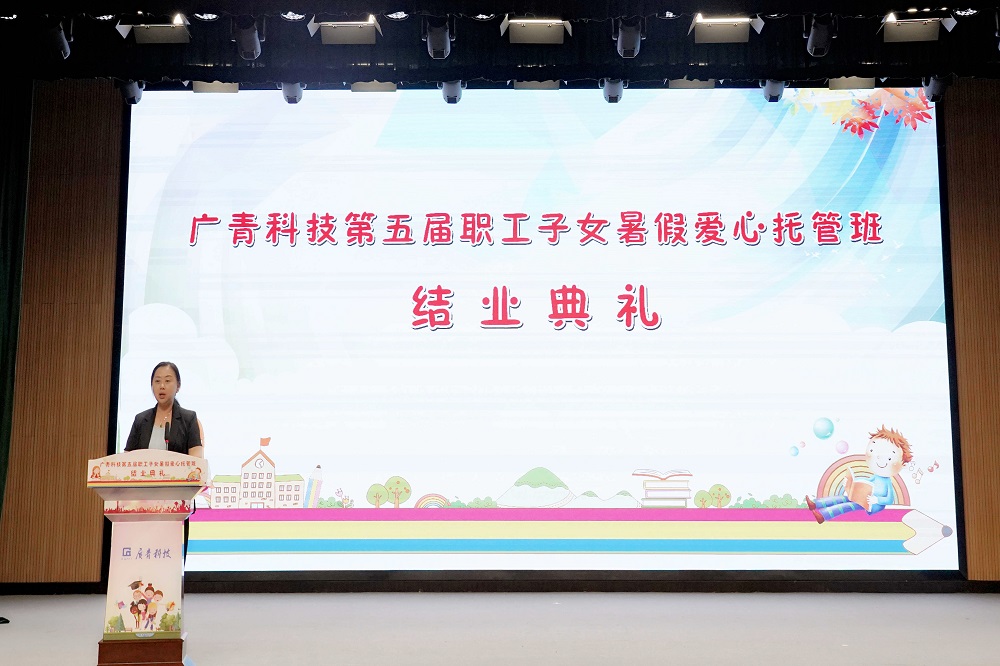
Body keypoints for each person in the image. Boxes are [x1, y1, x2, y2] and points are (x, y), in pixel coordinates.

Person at [806, 425, 912, 524]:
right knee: (842, 498)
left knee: (849, 505)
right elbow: (867, 482)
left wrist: (876, 500)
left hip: (874, 506)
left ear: (902, 464)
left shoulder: (887, 482)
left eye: (889, 458)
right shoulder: (876, 477)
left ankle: (823, 516)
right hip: (864, 498)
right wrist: (851, 485)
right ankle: (815, 504)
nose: (880, 460)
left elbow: (889, 499)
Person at [124, 362, 204, 458]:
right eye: (157, 381)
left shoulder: (189, 419)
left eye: (167, 381)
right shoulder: (140, 420)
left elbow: (196, 459)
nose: (162, 386)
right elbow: (127, 458)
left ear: (178, 386)